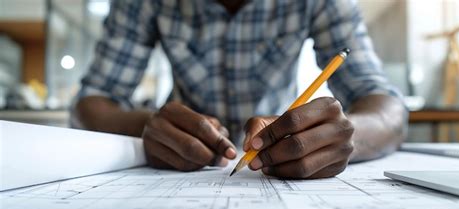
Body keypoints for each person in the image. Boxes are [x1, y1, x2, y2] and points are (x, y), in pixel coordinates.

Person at [73, 0, 407, 179]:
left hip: (286, 155)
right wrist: (147, 127)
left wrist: (346, 136)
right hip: (180, 163)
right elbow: (91, 101)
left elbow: (388, 107)